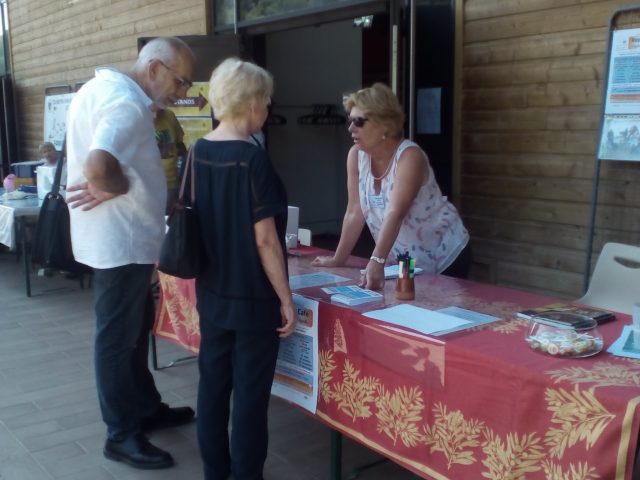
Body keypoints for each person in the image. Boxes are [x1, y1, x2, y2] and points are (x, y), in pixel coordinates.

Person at [65, 37, 197, 470]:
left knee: (135, 329)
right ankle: (121, 433)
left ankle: (144, 407)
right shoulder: (125, 102)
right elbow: (99, 164)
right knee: (119, 338)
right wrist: (116, 186)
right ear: (154, 67)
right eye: (180, 81)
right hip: (120, 242)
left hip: (123, 241)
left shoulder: (100, 89)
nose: (181, 92)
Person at [194, 57, 296, 480]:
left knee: (213, 388)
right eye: (266, 101)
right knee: (250, 397)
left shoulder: (199, 150)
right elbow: (265, 238)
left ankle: (215, 472)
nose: (268, 110)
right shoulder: (252, 159)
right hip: (253, 298)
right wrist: (286, 299)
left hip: (212, 291)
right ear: (252, 103)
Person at [312, 83, 470, 290]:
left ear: (384, 124)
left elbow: (395, 213)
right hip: (406, 262)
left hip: (444, 255)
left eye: (359, 121)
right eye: (350, 121)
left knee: (433, 314)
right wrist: (338, 258)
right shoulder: (356, 156)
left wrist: (376, 261)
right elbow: (354, 211)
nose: (351, 128)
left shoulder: (410, 156)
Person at [154, 107, 187, 214]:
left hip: (172, 184)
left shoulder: (169, 115)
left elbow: (180, 145)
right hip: (149, 186)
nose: (155, 115)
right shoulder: (137, 120)